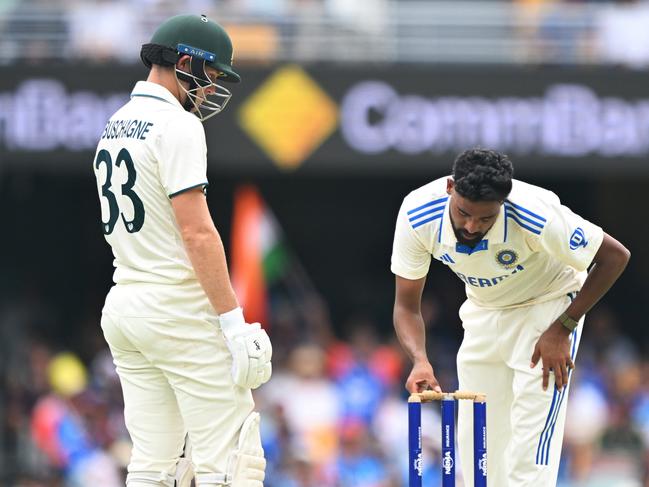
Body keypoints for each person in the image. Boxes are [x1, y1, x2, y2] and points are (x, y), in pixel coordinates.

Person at [92, 14, 272, 487]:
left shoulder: (117, 122)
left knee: (155, 465)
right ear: (185, 61)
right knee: (233, 463)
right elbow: (196, 233)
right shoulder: (178, 125)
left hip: (126, 304)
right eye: (211, 76)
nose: (212, 90)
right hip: (176, 307)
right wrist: (234, 323)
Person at [390, 148, 630, 486]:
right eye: (463, 213)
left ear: (503, 203)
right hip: (482, 312)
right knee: (479, 456)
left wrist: (563, 327)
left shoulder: (534, 213)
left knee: (528, 460)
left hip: (547, 308)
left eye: (485, 218)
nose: (472, 226)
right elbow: (406, 306)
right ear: (449, 187)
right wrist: (419, 360)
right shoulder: (418, 214)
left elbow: (615, 257)